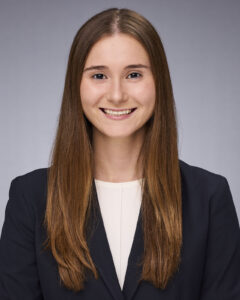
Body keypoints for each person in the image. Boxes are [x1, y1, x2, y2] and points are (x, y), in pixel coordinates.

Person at [0, 7, 240, 300]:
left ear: (158, 83)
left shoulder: (210, 197)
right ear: (77, 86)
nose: (116, 94)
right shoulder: (31, 198)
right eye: (99, 75)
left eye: (134, 74)